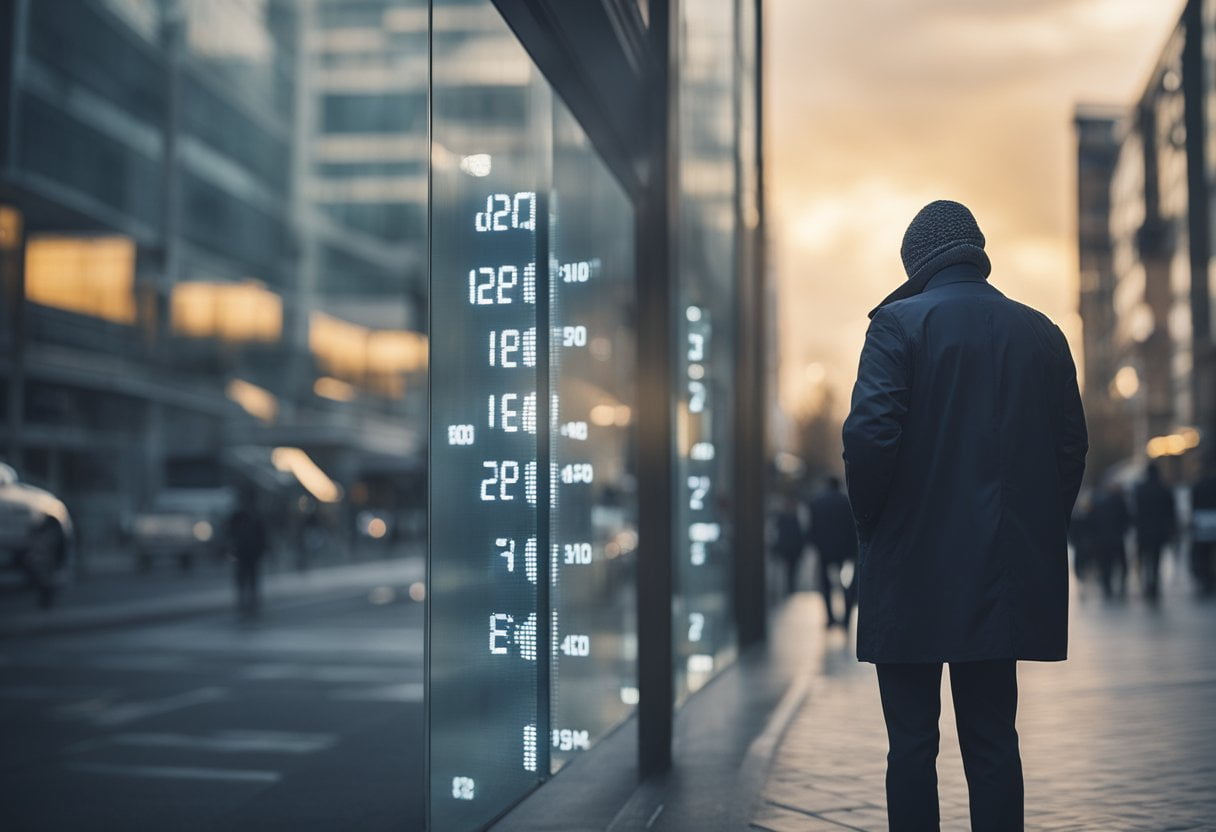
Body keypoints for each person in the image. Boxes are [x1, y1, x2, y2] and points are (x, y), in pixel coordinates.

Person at [842, 200, 1086, 831]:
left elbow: (869, 438)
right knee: (993, 741)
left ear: (917, 261)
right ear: (975, 252)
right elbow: (1070, 450)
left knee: (913, 747)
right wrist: (1031, 526)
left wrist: (874, 526)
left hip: (911, 573)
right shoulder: (1042, 333)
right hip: (998, 575)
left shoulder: (897, 326)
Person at [807, 475, 858, 629]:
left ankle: (830, 617)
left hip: (824, 550)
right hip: (845, 550)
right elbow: (852, 528)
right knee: (847, 584)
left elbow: (812, 528)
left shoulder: (817, 503)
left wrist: (817, 544)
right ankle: (846, 618)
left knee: (825, 584)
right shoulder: (846, 502)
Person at [1132, 463, 1175, 598]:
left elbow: (1136, 512)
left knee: (1144, 559)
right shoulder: (1164, 489)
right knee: (1156, 559)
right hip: (1159, 532)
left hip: (1143, 531)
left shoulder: (1140, 489)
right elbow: (1171, 512)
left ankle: (1146, 583)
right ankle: (1155, 585)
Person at [228, 489, 268, 618]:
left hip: (247, 551)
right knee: (248, 576)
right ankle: (248, 600)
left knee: (247, 576)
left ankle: (247, 600)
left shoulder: (244, 516)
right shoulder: (251, 515)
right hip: (246, 551)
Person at [1090, 481, 1130, 599]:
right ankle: (1120, 586)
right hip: (1116, 538)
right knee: (1121, 564)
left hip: (1101, 539)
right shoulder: (1119, 501)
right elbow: (1126, 518)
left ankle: (1107, 587)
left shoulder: (1096, 502)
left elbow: (1091, 521)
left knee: (1105, 565)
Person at [1191, 450, 1216, 595]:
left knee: (1202, 553)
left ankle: (1205, 578)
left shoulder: (1198, 485)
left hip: (1201, 522)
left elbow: (1193, 505)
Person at [773, 494, 805, 596]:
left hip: (792, 548)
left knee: (791, 569)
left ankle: (790, 587)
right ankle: (789, 587)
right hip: (788, 548)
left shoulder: (787, 517)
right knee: (789, 569)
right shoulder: (787, 517)